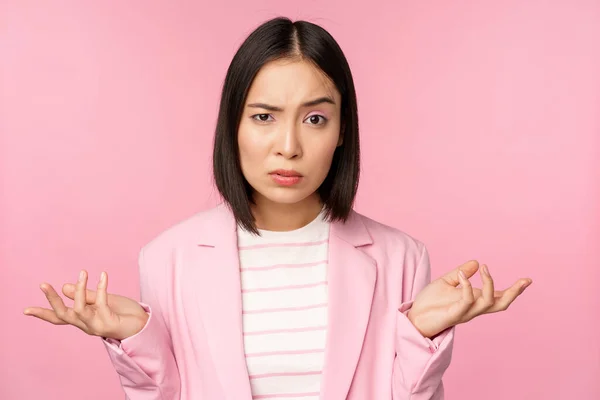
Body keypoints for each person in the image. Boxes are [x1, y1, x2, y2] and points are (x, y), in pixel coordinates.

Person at [23, 16, 532, 400]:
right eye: (264, 115)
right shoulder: (168, 257)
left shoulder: (400, 256)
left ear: (341, 133)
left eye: (314, 119)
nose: (288, 145)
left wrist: (421, 336)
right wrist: (138, 340)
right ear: (233, 126)